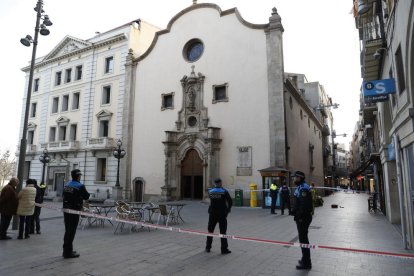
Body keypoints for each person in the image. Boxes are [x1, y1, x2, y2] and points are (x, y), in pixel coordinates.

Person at [62, 169, 90, 259]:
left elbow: (64, 195)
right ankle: (68, 253)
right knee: (71, 231)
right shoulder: (80, 186)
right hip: (74, 209)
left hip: (66, 209)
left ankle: (66, 250)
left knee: (67, 230)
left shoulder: (67, 185)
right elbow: (86, 196)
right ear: (78, 176)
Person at [291, 171, 313, 270]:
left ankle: (307, 262)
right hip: (301, 217)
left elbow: (304, 206)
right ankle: (305, 258)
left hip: (303, 218)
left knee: (303, 240)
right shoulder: (300, 187)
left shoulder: (303, 188)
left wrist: (299, 217)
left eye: (295, 178)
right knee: (302, 239)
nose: (293, 179)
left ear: (299, 178)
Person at [205, 178, 232, 254]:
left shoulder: (210, 191)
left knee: (210, 231)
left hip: (212, 214)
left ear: (214, 183)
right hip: (222, 214)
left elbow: (211, 201)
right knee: (223, 232)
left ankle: (208, 247)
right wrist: (228, 209)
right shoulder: (224, 191)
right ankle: (224, 249)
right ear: (220, 183)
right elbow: (230, 201)